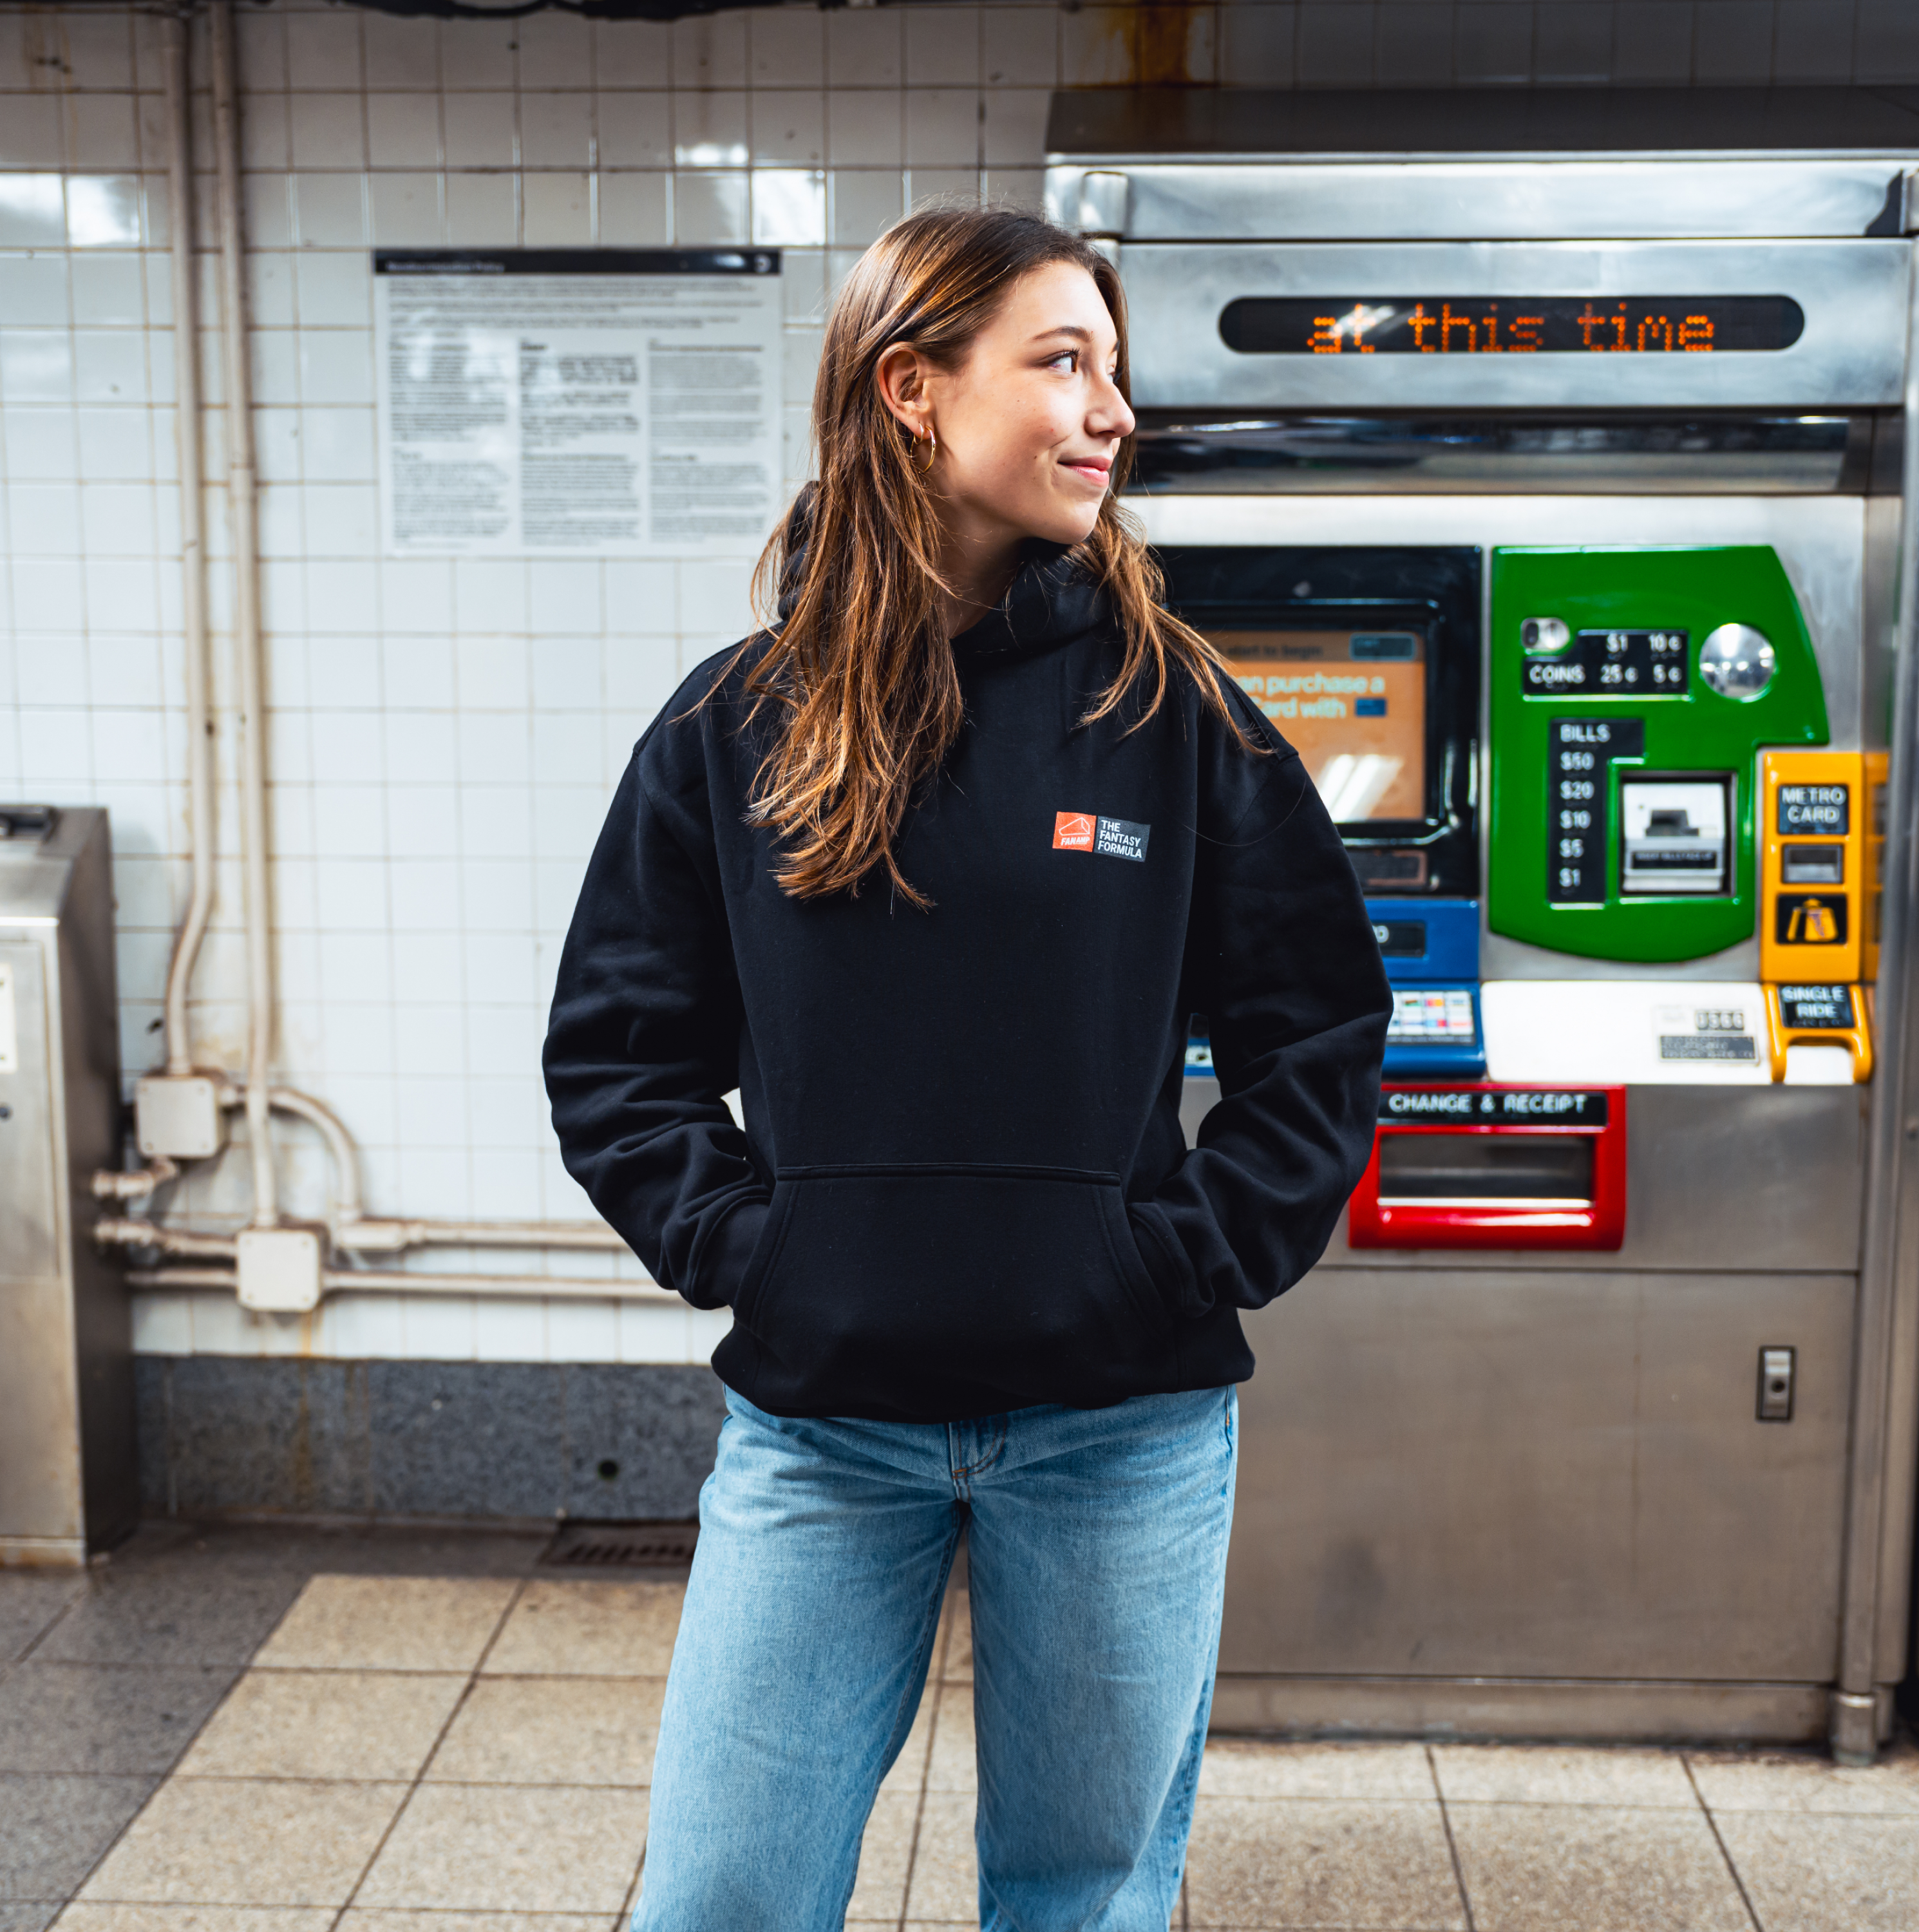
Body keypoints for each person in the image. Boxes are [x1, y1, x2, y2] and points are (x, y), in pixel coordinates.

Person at [544, 205, 1390, 1932]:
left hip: (1121, 1430)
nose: (1113, 412)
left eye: (1117, 370)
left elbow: (1318, 1034)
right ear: (914, 387)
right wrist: (759, 1252)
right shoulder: (737, 725)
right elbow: (619, 1056)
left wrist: (1179, 1257)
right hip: (822, 1429)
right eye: (1063, 362)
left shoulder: (1177, 715)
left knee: (1077, 1899)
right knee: (722, 1898)